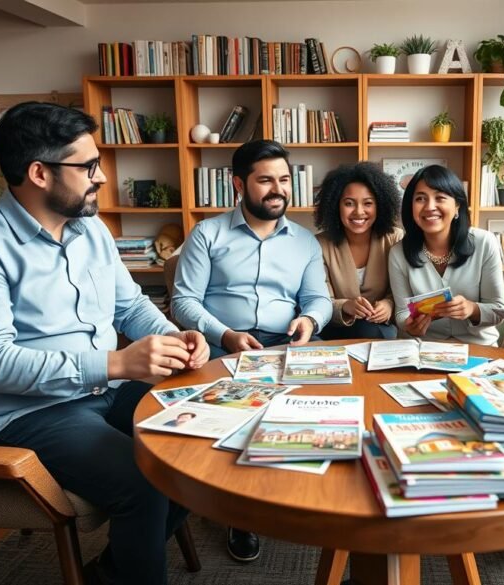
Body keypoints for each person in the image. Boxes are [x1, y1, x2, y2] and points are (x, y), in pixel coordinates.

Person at [0, 102, 210, 585]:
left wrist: (176, 337)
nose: (101, 177)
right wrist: (115, 364)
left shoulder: (92, 231)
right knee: (145, 484)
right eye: (88, 167)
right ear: (39, 173)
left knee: (205, 443)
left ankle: (111, 574)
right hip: (25, 413)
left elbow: (129, 306)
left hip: (102, 389)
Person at [171, 139, 332, 561]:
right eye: (265, 180)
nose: (278, 189)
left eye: (284, 179)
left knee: (325, 407)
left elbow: (319, 298)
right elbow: (183, 302)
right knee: (235, 419)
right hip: (225, 345)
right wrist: (224, 335)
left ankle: (306, 495)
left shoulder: (304, 241)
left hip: (289, 343)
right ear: (238, 183)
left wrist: (310, 321)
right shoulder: (207, 233)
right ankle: (239, 513)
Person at [388, 165, 504, 345]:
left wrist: (472, 309)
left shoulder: (485, 243)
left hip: (477, 349)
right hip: (423, 348)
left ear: (457, 205)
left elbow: (498, 311)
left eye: (440, 198)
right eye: (420, 199)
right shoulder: (398, 253)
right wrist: (409, 324)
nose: (430, 207)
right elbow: (402, 312)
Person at [313, 161, 403, 340]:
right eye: (349, 203)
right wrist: (346, 306)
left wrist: (389, 304)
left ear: (380, 205)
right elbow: (319, 299)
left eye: (368, 203)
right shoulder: (320, 244)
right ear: (335, 206)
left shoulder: (395, 238)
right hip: (334, 328)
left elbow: (403, 289)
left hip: (378, 328)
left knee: (372, 332)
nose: (359, 212)